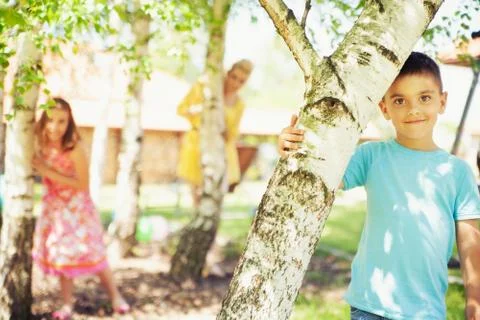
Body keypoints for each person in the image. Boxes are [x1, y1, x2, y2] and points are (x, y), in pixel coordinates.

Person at [278, 52, 480, 320]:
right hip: (370, 306)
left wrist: (474, 303)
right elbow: (322, 173)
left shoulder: (458, 173)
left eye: (425, 97)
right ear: (385, 108)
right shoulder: (371, 156)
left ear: (442, 102)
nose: (413, 109)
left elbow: (471, 246)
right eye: (400, 100)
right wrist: (292, 147)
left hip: (426, 311)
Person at [31, 98, 130, 320]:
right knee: (63, 256)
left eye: (62, 122)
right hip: (54, 209)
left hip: (77, 209)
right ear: (43, 121)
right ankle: (67, 305)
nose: (55, 127)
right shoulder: (39, 142)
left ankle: (116, 297)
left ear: (69, 123)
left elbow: (82, 184)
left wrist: (46, 171)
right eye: (51, 120)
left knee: (94, 253)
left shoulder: (73, 147)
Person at [177, 59, 254, 207]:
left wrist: (226, 133)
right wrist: (204, 110)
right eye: (234, 77)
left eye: (242, 81)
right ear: (228, 74)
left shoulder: (240, 104)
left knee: (214, 196)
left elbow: (233, 133)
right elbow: (182, 109)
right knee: (197, 197)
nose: (236, 84)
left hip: (221, 151)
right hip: (198, 146)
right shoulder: (205, 87)